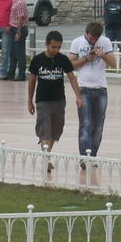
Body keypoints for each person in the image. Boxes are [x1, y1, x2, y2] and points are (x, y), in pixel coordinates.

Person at [28, 30, 82, 175]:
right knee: (45, 129)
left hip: (59, 101)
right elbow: (32, 81)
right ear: (46, 44)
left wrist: (78, 96)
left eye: (58, 47)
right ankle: (46, 158)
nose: (56, 50)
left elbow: (72, 78)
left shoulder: (63, 60)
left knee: (55, 130)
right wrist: (30, 101)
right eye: (53, 47)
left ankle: (47, 154)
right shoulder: (37, 60)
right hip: (42, 101)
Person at [71, 21, 117, 161]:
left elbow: (113, 63)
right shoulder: (77, 42)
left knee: (98, 127)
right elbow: (70, 64)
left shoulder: (106, 42)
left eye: (95, 39)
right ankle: (85, 158)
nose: (93, 41)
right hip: (84, 89)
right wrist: (85, 59)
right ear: (86, 32)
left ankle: (93, 155)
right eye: (91, 38)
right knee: (85, 124)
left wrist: (102, 55)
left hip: (100, 89)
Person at [7, 0, 30, 81]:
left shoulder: (20, 2)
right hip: (13, 28)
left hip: (18, 29)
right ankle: (11, 73)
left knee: (19, 53)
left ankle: (21, 74)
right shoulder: (15, 1)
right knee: (13, 53)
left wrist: (19, 32)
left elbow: (21, 18)